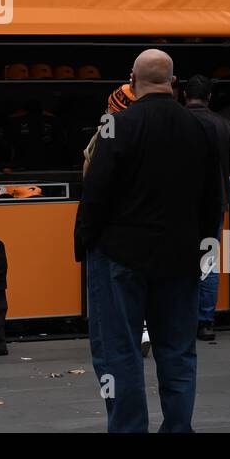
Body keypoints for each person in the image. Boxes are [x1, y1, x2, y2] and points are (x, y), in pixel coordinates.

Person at [75, 49, 221, 432]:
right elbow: (213, 200)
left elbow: (95, 194)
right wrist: (204, 247)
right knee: (177, 351)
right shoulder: (203, 129)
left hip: (120, 256)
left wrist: (86, 244)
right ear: (174, 83)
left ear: (132, 80)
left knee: (118, 352)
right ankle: (177, 426)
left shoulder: (116, 125)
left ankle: (128, 426)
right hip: (180, 256)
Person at [83, 82, 152, 354]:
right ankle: (145, 328)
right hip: (147, 218)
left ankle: (124, 334)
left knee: (114, 285)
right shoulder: (153, 131)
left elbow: (90, 178)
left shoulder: (105, 134)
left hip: (114, 223)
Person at [185, 74, 230, 342]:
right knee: (208, 264)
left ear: (182, 95)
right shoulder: (224, 125)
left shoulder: (175, 123)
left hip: (178, 205)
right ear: (209, 97)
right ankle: (205, 323)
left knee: (177, 263)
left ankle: (180, 320)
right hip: (214, 203)